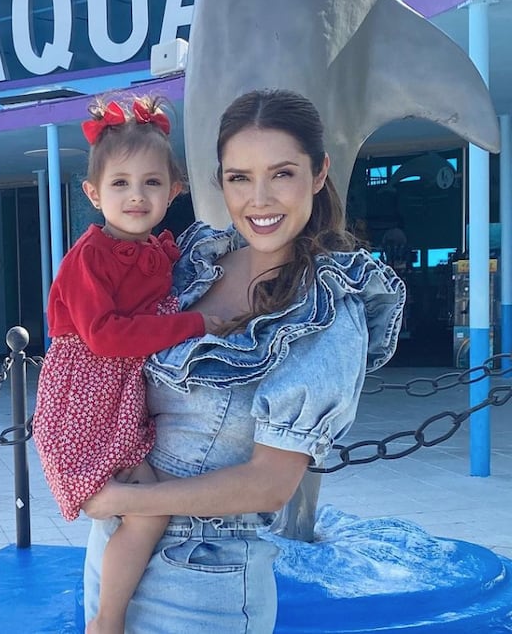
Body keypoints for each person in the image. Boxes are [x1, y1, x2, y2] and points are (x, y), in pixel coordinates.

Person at [82, 89, 405, 633]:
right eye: (239, 177)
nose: (259, 199)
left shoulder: (327, 310)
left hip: (203, 576)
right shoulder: (194, 262)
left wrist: (135, 499)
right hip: (113, 547)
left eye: (281, 174)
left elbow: (270, 483)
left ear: (319, 173)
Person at [32, 95, 224, 634]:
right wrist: (198, 325)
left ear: (174, 191)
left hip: (122, 399)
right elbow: (107, 337)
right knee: (132, 505)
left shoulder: (163, 252)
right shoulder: (90, 257)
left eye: (151, 183)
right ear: (93, 194)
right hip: (85, 399)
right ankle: (108, 618)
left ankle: (106, 618)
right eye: (120, 183)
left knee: (152, 511)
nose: (136, 196)